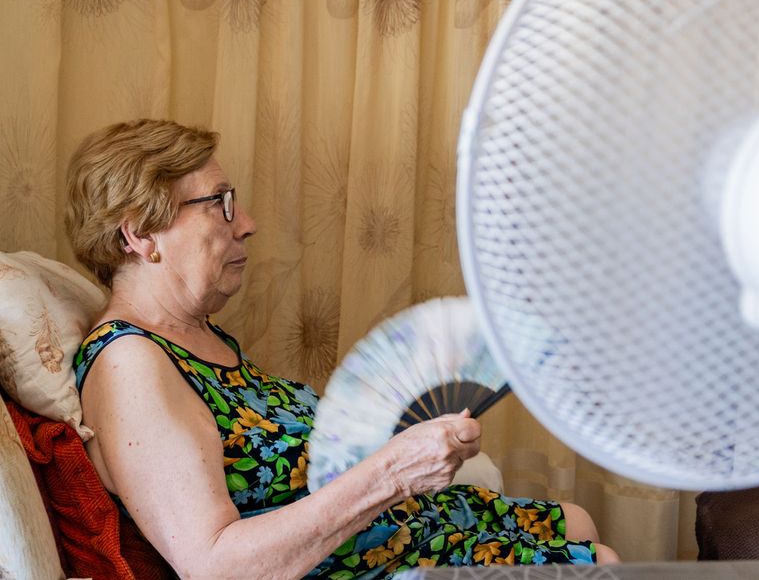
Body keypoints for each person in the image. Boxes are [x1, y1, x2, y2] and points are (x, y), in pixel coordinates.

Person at [65, 119, 619, 578]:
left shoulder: (199, 337)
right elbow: (215, 566)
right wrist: (392, 473)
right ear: (138, 234)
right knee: (601, 562)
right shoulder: (128, 363)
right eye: (220, 204)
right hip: (360, 566)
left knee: (579, 524)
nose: (248, 224)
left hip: (398, 535)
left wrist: (400, 442)